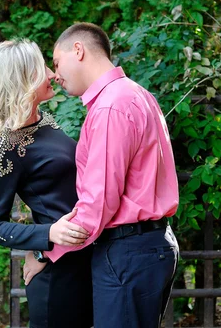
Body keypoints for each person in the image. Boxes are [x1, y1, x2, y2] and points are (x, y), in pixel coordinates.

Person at [26, 22, 180, 328]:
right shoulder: (138, 94)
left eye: (56, 63)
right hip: (152, 246)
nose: (55, 74)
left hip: (127, 252)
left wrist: (45, 253)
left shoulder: (111, 106)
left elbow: (98, 205)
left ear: (78, 50)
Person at [0, 39, 94, 328]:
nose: (53, 74)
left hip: (86, 262)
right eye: (42, 68)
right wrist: (46, 238)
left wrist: (41, 250)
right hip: (58, 280)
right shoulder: (4, 147)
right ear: (23, 79)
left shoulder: (45, 121)